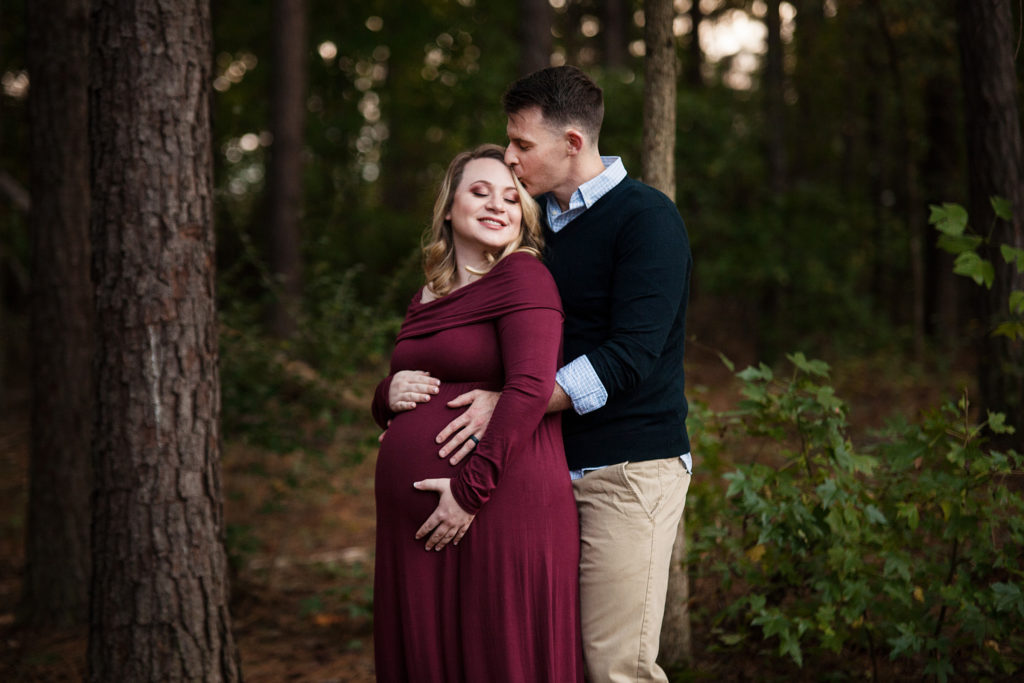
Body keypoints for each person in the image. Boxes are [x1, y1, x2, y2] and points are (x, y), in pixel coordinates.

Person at [411, 66, 693, 683]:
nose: (509, 160)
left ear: (572, 143)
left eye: (522, 145)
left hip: (625, 471)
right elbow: (474, 329)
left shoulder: (646, 220)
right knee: (548, 654)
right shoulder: (530, 224)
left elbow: (633, 355)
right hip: (537, 468)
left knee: (614, 666)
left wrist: (523, 398)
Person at [370, 144, 583, 683]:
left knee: (495, 657)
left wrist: (468, 493)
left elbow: (532, 388)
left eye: (512, 198)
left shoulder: (524, 278)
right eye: (480, 192)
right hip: (421, 525)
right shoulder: (428, 293)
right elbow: (409, 384)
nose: (497, 206)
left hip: (494, 502)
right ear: (449, 207)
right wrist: (385, 394)